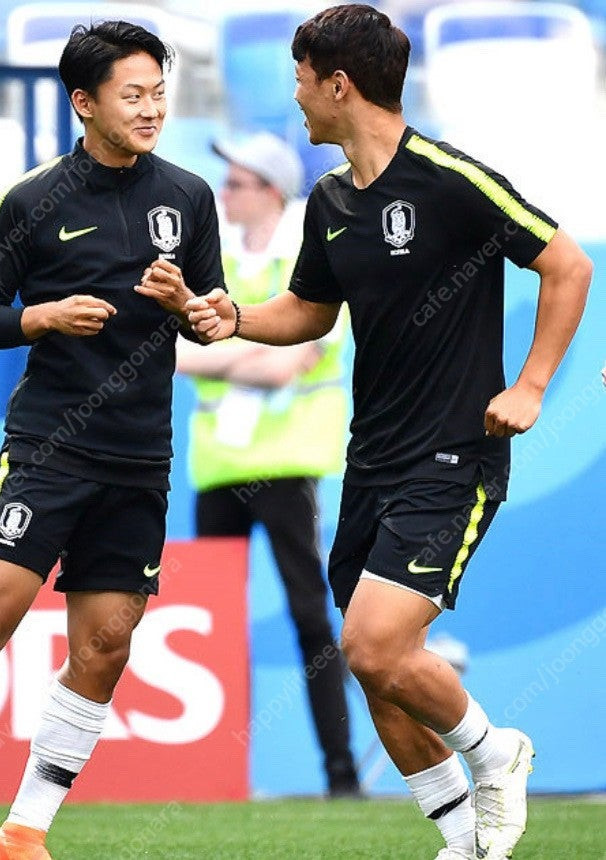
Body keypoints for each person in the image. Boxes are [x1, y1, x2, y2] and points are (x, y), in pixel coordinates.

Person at [176, 5, 592, 858]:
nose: (294, 96)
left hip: (455, 455)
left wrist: (531, 387)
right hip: (370, 461)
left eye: (301, 80)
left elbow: (567, 263)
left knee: (372, 645)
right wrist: (233, 318)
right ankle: (462, 841)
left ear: (340, 85)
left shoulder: (449, 178)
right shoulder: (329, 200)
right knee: (377, 669)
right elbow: (308, 312)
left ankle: (497, 753)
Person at [0, 20, 224, 860]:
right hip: (50, 446)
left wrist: (187, 305)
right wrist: (44, 316)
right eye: (132, 94)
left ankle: (24, 832)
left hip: (141, 456)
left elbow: (215, 318)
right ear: (84, 102)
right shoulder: (30, 200)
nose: (151, 109)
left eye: (158, 93)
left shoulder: (189, 195)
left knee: (104, 648)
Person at [176, 131, 360, 797]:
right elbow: (177, 354)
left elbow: (289, 363)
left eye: (236, 182)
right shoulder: (214, 262)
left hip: (287, 464)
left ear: (272, 192)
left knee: (311, 618)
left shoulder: (313, 263)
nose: (223, 193)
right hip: (218, 466)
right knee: (214, 626)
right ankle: (218, 779)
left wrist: (221, 353)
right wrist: (249, 355)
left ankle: (341, 776)